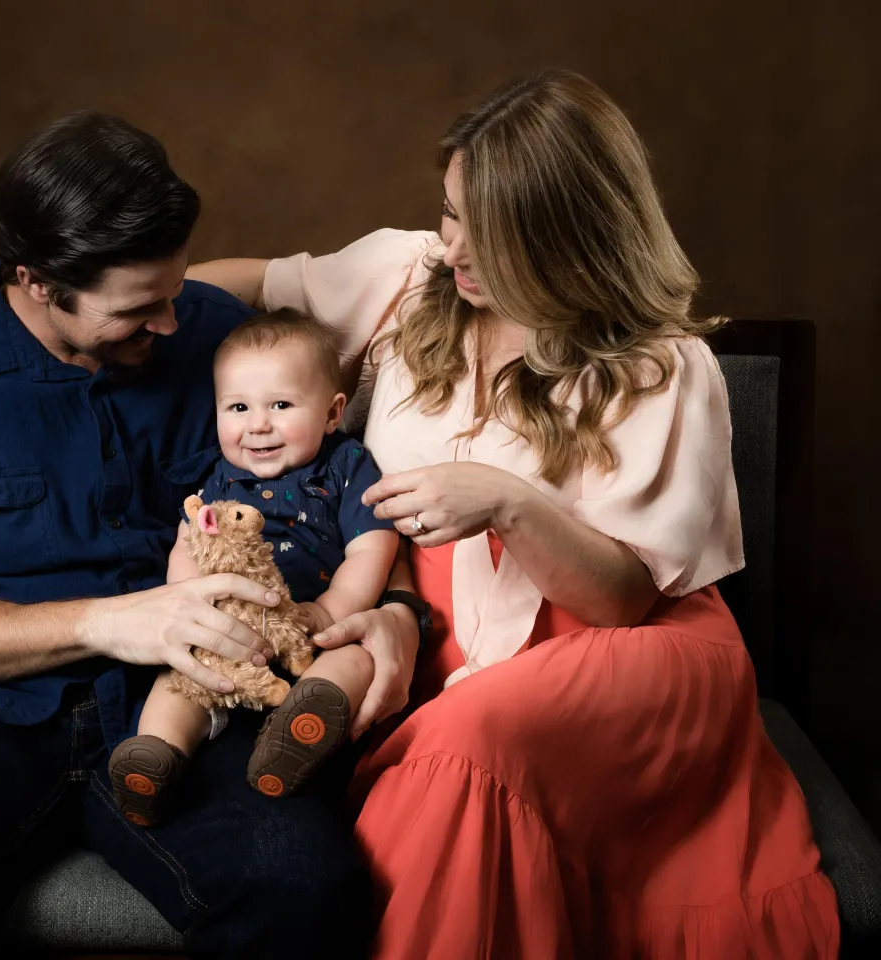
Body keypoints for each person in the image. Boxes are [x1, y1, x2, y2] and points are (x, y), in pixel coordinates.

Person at [188, 69, 840, 958]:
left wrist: (508, 502)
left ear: (572, 235)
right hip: (441, 636)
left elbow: (621, 602)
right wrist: (128, 318)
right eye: (453, 211)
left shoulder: (661, 364)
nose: (456, 249)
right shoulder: (407, 277)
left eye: (493, 236)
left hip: (625, 649)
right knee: (456, 747)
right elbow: (237, 284)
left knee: (466, 742)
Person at [0, 111, 421, 959]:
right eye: (140, 310)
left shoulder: (220, 339)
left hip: (202, 699)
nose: (173, 324)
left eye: (174, 293)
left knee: (304, 888)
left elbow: (339, 494)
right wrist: (110, 620)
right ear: (36, 280)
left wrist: (395, 608)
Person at [109, 309, 399, 826]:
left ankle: (301, 728)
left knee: (356, 662)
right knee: (178, 681)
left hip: (314, 632)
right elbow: (187, 545)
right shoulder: (216, 482)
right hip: (226, 637)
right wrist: (189, 598)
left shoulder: (346, 466)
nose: (257, 424)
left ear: (333, 413)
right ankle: (156, 754)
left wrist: (329, 610)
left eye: (281, 405)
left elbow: (371, 546)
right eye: (238, 407)